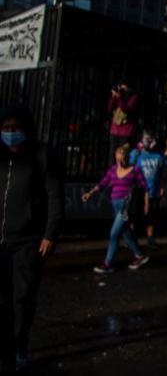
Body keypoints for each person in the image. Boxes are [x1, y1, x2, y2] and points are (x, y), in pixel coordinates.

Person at [0, 106, 62, 373]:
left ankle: (18, 347)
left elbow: (54, 196)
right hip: (1, 240)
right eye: (6, 129)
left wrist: (50, 233)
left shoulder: (40, 155)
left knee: (22, 297)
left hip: (28, 240)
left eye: (15, 128)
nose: (11, 134)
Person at [82, 144, 150, 273]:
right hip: (116, 205)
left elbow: (145, 187)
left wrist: (147, 204)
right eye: (118, 159)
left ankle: (108, 264)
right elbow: (103, 183)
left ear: (128, 158)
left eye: (123, 159)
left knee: (114, 233)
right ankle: (140, 255)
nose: (120, 162)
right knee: (125, 232)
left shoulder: (135, 170)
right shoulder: (113, 169)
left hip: (126, 207)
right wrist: (90, 193)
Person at [130, 129, 165, 249]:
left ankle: (150, 238)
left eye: (151, 139)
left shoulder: (158, 155)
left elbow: (163, 171)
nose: (150, 141)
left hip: (153, 191)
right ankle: (132, 238)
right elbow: (129, 170)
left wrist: (162, 186)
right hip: (139, 191)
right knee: (135, 215)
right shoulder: (136, 154)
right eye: (147, 139)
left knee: (152, 215)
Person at [107, 82, 137, 153]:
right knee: (113, 154)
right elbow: (109, 108)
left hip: (126, 131)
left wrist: (119, 97)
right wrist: (113, 97)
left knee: (123, 154)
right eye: (120, 86)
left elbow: (126, 110)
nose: (121, 88)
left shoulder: (133, 97)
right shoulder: (118, 96)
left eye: (124, 86)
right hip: (114, 130)